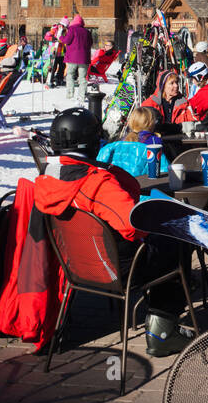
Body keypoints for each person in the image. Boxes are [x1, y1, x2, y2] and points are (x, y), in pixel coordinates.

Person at [28, 108, 194, 356]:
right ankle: (162, 332)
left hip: (77, 269)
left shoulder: (48, 179)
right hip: (117, 270)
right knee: (174, 240)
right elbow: (132, 225)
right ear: (91, 142)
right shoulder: (96, 183)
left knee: (163, 242)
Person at [96, 106, 170, 177]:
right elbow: (164, 170)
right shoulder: (154, 141)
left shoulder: (121, 141)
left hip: (117, 185)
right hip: (144, 186)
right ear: (151, 123)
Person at [62, 13, 91, 101]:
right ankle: (82, 96)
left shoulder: (72, 29)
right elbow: (90, 43)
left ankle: (70, 94)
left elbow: (67, 40)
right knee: (82, 78)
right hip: (84, 59)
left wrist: (60, 37)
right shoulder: (87, 32)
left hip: (72, 58)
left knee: (70, 75)